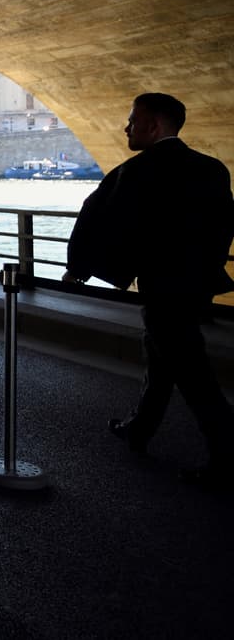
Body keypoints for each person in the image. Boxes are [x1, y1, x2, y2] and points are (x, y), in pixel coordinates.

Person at [63, 92, 234, 488]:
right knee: (161, 355)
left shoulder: (137, 171)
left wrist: (79, 269)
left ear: (154, 126)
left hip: (162, 284)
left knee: (193, 374)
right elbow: (225, 222)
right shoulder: (211, 169)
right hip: (194, 284)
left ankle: (227, 455)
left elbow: (100, 219)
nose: (126, 127)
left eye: (132, 120)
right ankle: (139, 428)